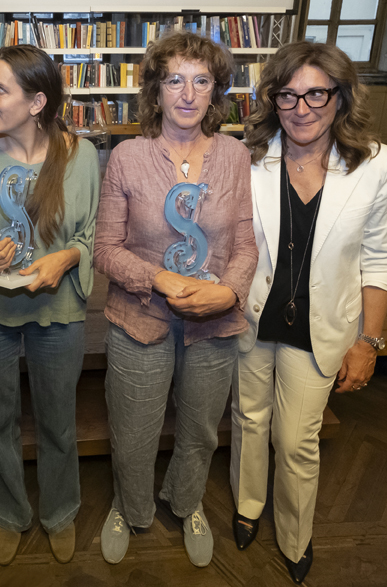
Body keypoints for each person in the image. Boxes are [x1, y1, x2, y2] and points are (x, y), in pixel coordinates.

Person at [230, 41, 387, 584]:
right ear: (273, 100)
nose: (302, 109)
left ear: (341, 97)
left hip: (321, 325)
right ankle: (246, 506)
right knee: (248, 419)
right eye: (288, 95)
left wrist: (368, 342)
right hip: (253, 317)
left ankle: (296, 536)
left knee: (296, 439)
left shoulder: (378, 164)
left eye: (316, 94)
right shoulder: (248, 157)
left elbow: (380, 257)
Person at [94, 31, 258, 568]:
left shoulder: (235, 156)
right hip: (140, 317)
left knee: (200, 429)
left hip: (215, 320)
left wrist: (228, 292)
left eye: (201, 81)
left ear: (216, 92)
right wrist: (156, 280)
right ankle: (129, 505)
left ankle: (187, 503)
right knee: (134, 429)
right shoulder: (127, 156)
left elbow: (244, 241)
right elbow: (105, 248)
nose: (187, 94)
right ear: (156, 90)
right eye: (174, 81)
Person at [0, 45, 100, 566]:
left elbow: (91, 234)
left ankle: (60, 510)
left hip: (57, 312)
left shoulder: (80, 157)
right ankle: (8, 512)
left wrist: (66, 260)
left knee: (58, 420)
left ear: (36, 102)